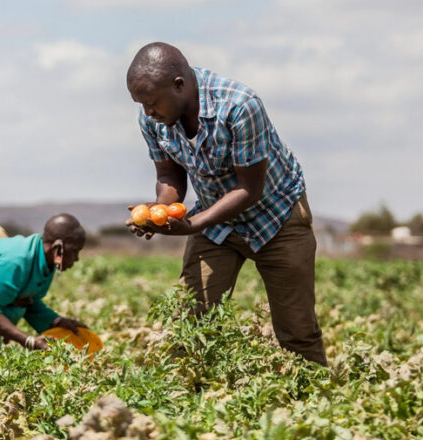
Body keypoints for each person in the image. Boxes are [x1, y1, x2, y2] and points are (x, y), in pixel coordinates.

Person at [125, 42, 327, 366]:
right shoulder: (152, 118)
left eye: (151, 103)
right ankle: (191, 403)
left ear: (179, 86)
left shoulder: (239, 105)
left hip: (277, 216)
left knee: (297, 332)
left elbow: (250, 189)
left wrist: (192, 224)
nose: (147, 112)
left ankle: (317, 401)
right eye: (141, 104)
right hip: (216, 221)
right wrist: (159, 212)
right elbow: (169, 175)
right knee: (192, 321)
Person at [0, 213, 88, 359]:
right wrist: (27, 341)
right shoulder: (16, 260)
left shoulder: (44, 263)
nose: (76, 259)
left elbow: (28, 301)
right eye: (74, 252)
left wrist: (56, 322)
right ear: (58, 248)